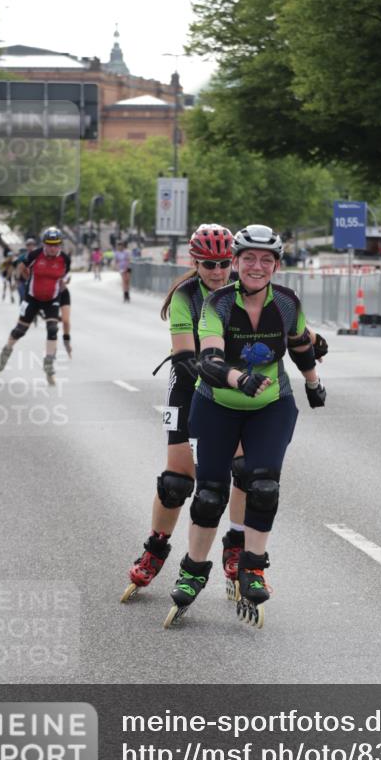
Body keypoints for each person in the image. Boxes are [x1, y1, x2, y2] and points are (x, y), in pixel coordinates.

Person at [164, 224, 327, 629]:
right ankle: (193, 570)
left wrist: (313, 383)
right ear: (237, 263)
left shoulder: (287, 302)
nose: (257, 266)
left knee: (263, 483)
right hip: (215, 403)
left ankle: (252, 565)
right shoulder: (215, 304)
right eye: (249, 259)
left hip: (271, 405)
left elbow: (301, 344)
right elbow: (209, 360)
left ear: (276, 265)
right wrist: (241, 379)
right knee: (209, 496)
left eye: (266, 260)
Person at [121, 223, 249, 602]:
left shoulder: (247, 293)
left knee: (243, 470)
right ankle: (156, 547)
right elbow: (184, 353)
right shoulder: (185, 295)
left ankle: (236, 542)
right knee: (177, 482)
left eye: (225, 262)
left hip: (232, 389)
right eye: (209, 263)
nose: (218, 270)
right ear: (195, 261)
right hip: (189, 387)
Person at [0, 227, 70, 386]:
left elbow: (64, 275)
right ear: (44, 244)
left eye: (56, 245)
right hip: (32, 298)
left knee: (52, 329)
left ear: (60, 245)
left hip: (52, 298)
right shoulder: (35, 255)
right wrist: (26, 279)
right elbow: (21, 267)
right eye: (49, 245)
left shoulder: (64, 259)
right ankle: (7, 350)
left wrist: (62, 284)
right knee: (19, 331)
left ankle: (48, 363)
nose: (52, 248)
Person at [14, 236, 37, 302]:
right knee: (23, 296)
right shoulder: (22, 257)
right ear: (26, 246)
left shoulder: (38, 255)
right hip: (23, 280)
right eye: (29, 245)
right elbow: (18, 268)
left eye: (32, 245)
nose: (30, 247)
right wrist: (17, 279)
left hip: (34, 280)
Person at [59, 273, 73, 357]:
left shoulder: (61, 261)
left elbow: (68, 279)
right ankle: (52, 345)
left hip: (63, 293)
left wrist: (67, 279)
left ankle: (66, 341)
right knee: (52, 323)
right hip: (50, 294)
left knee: (66, 320)